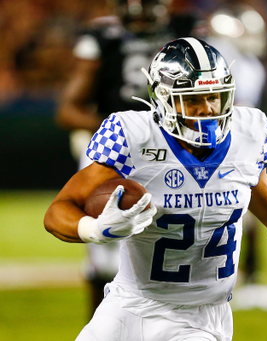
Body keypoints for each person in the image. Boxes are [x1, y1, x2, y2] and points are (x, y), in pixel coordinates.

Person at [44, 37, 267, 341]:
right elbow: (58, 210)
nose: (208, 109)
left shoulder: (247, 133)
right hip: (128, 304)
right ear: (163, 98)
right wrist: (96, 229)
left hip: (199, 317)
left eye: (215, 96)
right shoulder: (133, 136)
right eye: (194, 100)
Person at [55, 0, 194, 316]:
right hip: (119, 146)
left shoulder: (185, 30)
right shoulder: (104, 37)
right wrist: (119, 128)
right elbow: (68, 109)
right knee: (102, 243)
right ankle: (102, 324)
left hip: (173, 145)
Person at [204, 3, 267, 311]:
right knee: (239, 213)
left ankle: (243, 276)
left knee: (245, 214)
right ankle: (242, 277)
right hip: (228, 145)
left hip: (234, 143)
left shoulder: (248, 63)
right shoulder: (234, 60)